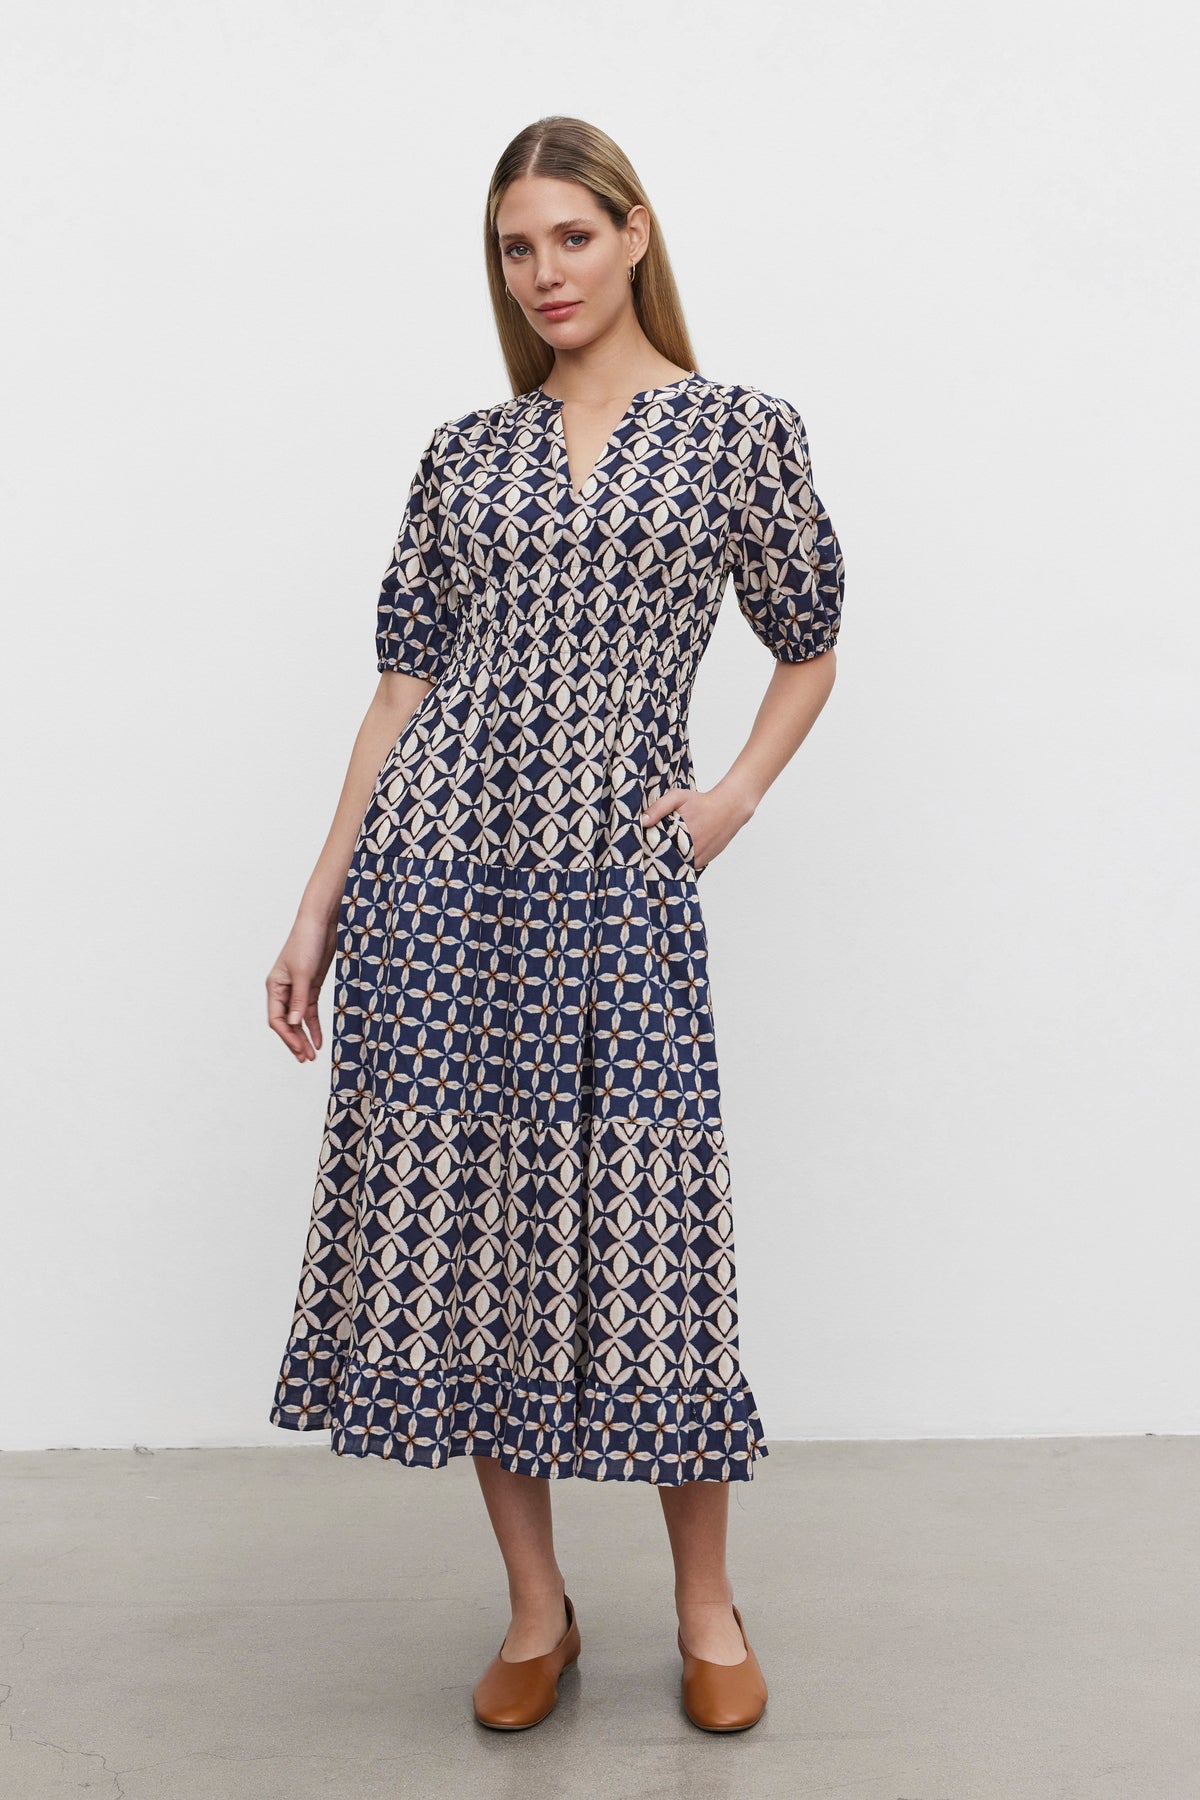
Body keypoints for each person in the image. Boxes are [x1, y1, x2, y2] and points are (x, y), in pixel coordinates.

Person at [265, 114, 845, 1735]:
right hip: (440, 874)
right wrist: (320, 904)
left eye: (571, 239)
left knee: (652, 1225)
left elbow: (809, 634)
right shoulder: (465, 454)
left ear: (637, 234)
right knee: (479, 1243)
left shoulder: (739, 432)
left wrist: (729, 796)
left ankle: (705, 1604)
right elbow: (403, 684)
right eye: (517, 248)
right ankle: (537, 1610)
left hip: (616, 866)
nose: (544, 274)